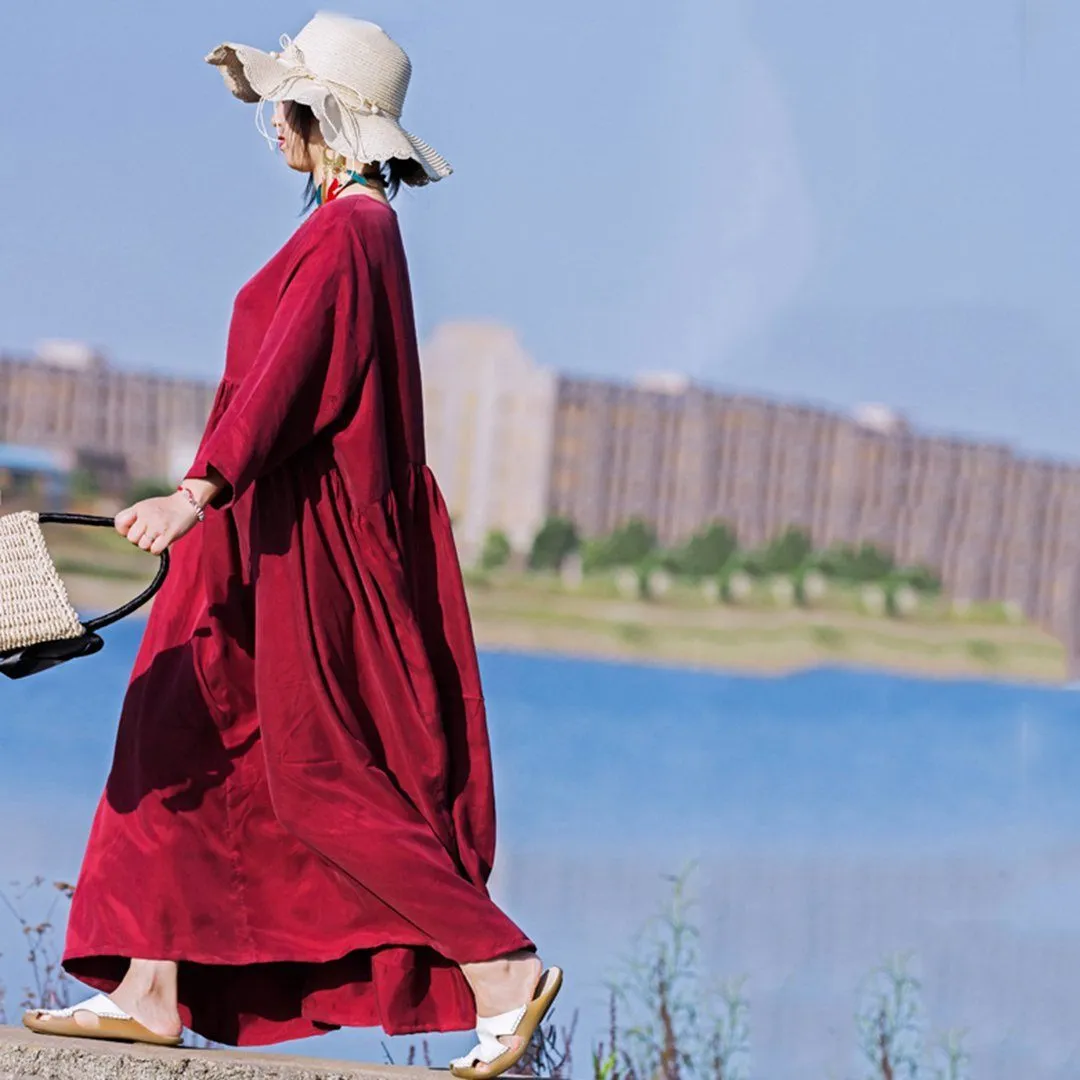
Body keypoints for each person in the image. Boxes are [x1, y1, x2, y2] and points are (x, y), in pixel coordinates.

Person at [22, 13, 561, 1079]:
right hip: (256, 548)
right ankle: (150, 986)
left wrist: (196, 489)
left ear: (332, 119)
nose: (272, 124)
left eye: (287, 105)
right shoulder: (342, 229)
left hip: (297, 556)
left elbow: (288, 381)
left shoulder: (353, 234)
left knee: (322, 778)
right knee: (173, 742)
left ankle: (502, 970)